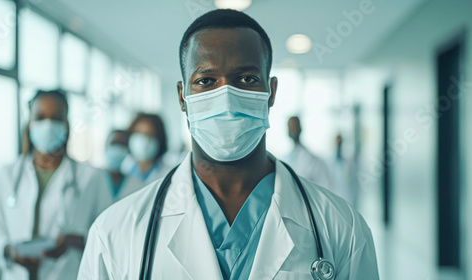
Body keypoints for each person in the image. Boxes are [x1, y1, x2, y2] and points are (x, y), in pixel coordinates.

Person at [78, 9, 379, 280]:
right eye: (206, 81)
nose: (227, 98)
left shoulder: (341, 228)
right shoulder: (114, 233)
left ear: (271, 91)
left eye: (246, 79)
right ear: (182, 97)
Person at [0, 89, 113, 280]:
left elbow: (109, 236)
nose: (48, 125)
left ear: (67, 125)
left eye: (56, 118)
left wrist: (73, 240)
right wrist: (9, 250)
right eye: (40, 117)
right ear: (29, 123)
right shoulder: (7, 174)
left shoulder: (91, 177)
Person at [283, 116, 335, 191]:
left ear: (300, 129)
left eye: (295, 127)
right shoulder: (285, 159)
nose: (293, 130)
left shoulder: (313, 161)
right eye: (291, 127)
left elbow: (326, 186)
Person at [119, 113, 171, 186]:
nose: (143, 140)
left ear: (160, 140)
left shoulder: (168, 173)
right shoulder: (123, 168)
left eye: (150, 135)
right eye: (138, 133)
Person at [104, 129, 143, 201]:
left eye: (122, 144)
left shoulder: (136, 185)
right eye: (114, 143)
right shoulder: (93, 179)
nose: (118, 148)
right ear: (105, 146)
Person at [328, 134, 360, 208]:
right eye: (337, 142)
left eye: (340, 142)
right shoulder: (329, 162)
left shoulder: (350, 163)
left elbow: (355, 184)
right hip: (334, 200)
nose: (339, 144)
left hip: (348, 200)